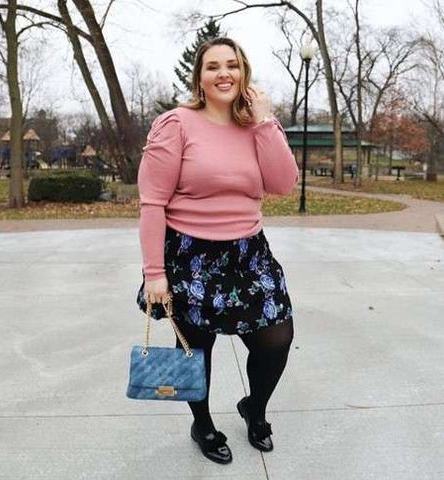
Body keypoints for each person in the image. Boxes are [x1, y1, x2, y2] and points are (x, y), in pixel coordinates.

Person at [136, 36, 299, 465]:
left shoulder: (259, 127)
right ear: (200, 78)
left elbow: (283, 184)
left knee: (275, 339)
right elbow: (152, 202)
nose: (223, 73)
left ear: (244, 72)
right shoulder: (176, 124)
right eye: (213, 66)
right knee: (196, 349)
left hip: (249, 253)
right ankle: (202, 424)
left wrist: (264, 121)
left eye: (232, 65)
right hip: (191, 256)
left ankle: (254, 408)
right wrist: (155, 272)